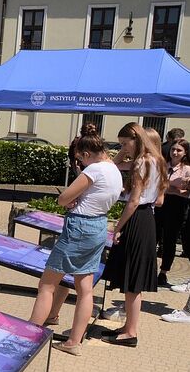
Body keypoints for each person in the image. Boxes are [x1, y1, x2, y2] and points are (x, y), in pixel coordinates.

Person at [27, 135, 122, 356]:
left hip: (79, 227)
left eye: (81, 158)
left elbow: (63, 199)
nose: (81, 162)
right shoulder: (114, 170)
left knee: (47, 285)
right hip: (99, 226)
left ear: (87, 154)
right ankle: (74, 342)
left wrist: (71, 198)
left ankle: (29, 335)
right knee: (85, 289)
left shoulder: (94, 170)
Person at [98, 122, 167, 348]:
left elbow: (134, 200)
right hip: (147, 219)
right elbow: (114, 164)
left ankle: (130, 332)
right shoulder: (156, 160)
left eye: (125, 143)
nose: (123, 148)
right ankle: (128, 327)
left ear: (136, 139)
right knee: (133, 281)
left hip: (137, 218)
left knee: (132, 282)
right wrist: (125, 150)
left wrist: (117, 227)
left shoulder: (141, 162)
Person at [156, 139, 190, 286]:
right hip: (160, 204)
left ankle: (163, 272)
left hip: (177, 207)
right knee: (154, 236)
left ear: (185, 153)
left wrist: (173, 190)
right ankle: (148, 269)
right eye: (173, 149)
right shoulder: (163, 165)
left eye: (179, 150)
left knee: (169, 240)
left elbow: (187, 193)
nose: (175, 153)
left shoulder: (188, 170)